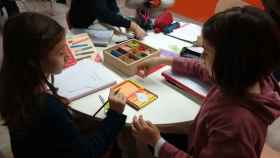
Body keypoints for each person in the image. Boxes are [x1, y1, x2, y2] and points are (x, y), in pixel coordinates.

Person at [132, 6, 280, 158]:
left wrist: (157, 143)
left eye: (206, 52)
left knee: (140, 138)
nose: (201, 58)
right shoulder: (246, 77)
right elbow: (201, 68)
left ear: (228, 63)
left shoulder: (235, 127)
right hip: (201, 141)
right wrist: (164, 60)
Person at [0, 12, 128, 158]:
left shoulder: (13, 86)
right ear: (35, 62)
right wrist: (115, 115)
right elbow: (87, 153)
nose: (68, 56)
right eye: (61, 52)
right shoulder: (46, 107)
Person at [68, 0, 146, 39]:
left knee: (118, 33)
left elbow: (112, 5)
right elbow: (103, 13)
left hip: (94, 16)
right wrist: (132, 25)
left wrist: (121, 21)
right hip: (81, 25)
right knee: (112, 38)